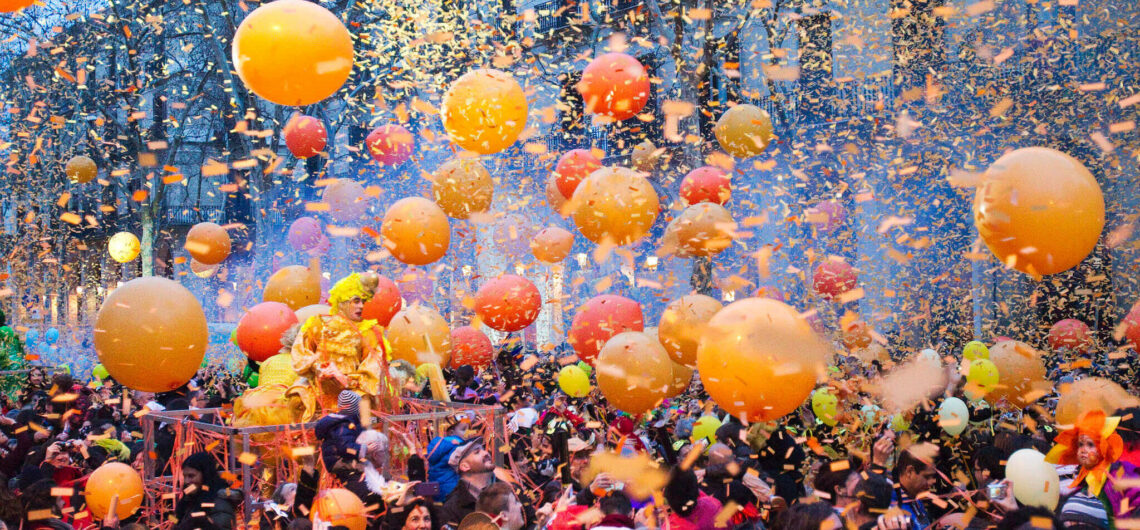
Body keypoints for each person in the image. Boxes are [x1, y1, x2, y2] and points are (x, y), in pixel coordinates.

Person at [289, 272, 389, 420]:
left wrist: (344, 379)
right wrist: (318, 368)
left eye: (363, 301)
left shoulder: (368, 333)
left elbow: (372, 374)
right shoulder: (317, 324)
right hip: (318, 396)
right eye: (356, 301)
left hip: (351, 398)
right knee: (295, 400)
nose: (361, 306)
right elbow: (300, 356)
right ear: (342, 301)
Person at [1046, 409, 1140, 527]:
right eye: (1080, 444)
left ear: (1104, 445)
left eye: (1090, 444)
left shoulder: (1120, 473)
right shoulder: (1082, 478)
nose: (1083, 450)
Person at [173, 451, 241, 530]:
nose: (186, 481)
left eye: (191, 476)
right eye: (185, 476)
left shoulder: (219, 503)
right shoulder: (190, 500)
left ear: (205, 476)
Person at [439, 437, 496, 528]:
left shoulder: (507, 489)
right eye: (477, 452)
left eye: (483, 449)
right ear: (464, 466)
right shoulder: (452, 508)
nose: (485, 453)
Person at [315, 390, 367, 475]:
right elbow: (345, 448)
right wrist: (362, 450)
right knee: (368, 468)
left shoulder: (346, 421)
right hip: (338, 461)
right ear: (354, 409)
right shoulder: (343, 426)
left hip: (341, 458)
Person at [892, 444, 939, 530]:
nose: (932, 482)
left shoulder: (914, 496)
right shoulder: (891, 508)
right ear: (909, 472)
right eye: (927, 477)